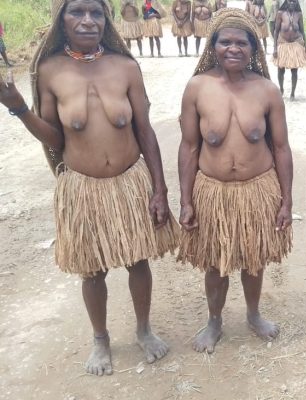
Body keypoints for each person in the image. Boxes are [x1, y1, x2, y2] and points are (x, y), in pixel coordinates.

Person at [0, 0, 177, 376]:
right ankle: (100, 339)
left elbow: (144, 131)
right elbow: (55, 139)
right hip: (83, 188)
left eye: (96, 13)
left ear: (107, 20)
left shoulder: (126, 67)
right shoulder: (49, 71)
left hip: (129, 183)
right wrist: (19, 109)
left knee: (138, 260)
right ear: (60, 19)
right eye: (76, 12)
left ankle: (144, 330)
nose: (87, 20)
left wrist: (159, 190)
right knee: (92, 269)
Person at [178, 8, 293, 354]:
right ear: (212, 45)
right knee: (216, 262)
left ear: (253, 47)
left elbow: (281, 147)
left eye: (242, 43)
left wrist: (286, 200)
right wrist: (186, 199)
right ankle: (214, 320)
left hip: (257, 188)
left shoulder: (267, 90)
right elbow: (189, 147)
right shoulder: (197, 88)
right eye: (225, 42)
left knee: (254, 259)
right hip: (213, 192)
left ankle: (254, 315)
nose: (233, 48)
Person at [273, 0, 306, 100]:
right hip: (283, 44)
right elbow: (276, 31)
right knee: (280, 69)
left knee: (294, 70)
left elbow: (302, 31)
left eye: (294, 1)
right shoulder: (280, 14)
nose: (292, 3)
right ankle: (281, 89)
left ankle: (292, 93)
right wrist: (275, 48)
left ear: (296, 3)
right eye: (290, 1)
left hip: (295, 44)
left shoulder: (299, 14)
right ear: (286, 2)